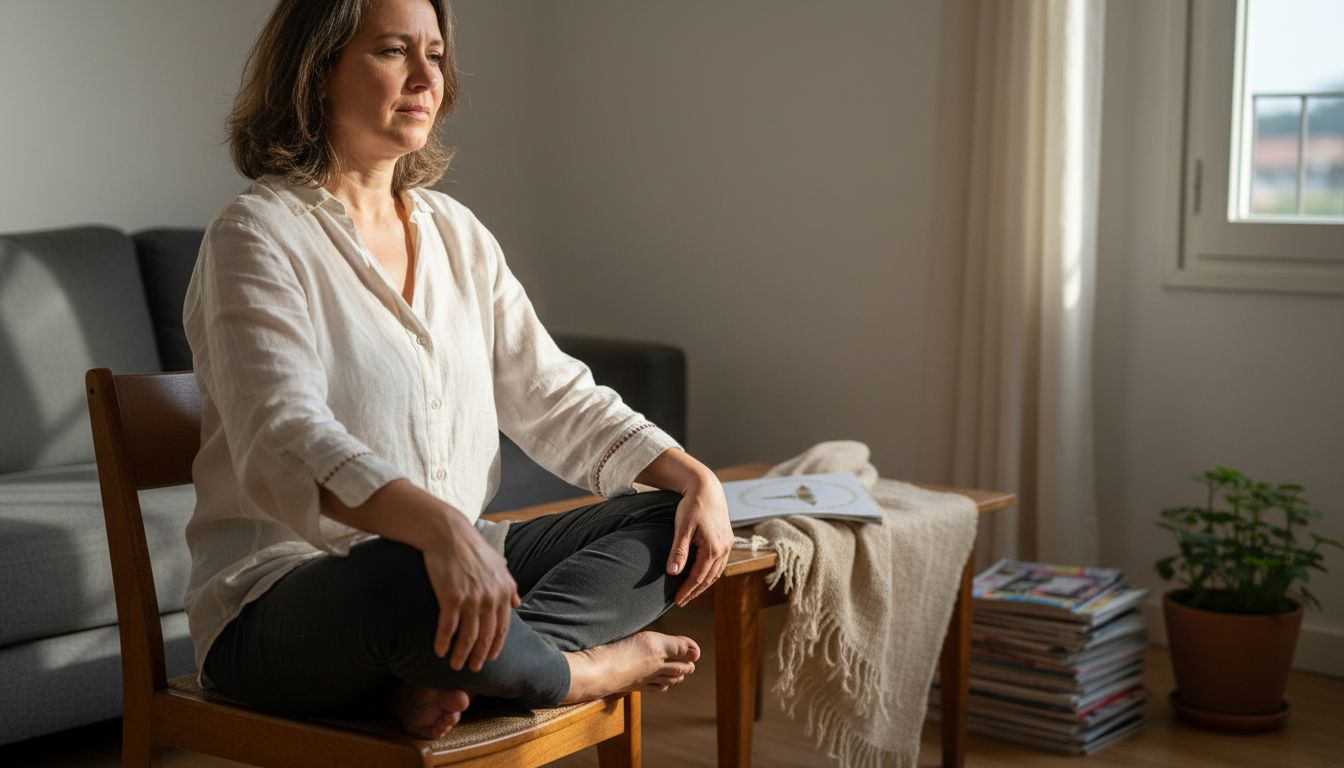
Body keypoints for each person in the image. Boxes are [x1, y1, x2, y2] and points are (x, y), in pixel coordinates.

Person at [182, 0, 734, 740]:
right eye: (392, 52)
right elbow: (284, 436)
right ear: (317, 71)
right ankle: (573, 672)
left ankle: (459, 674)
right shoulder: (256, 234)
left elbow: (552, 392)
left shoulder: (456, 234)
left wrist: (695, 476)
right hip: (285, 601)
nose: (424, 78)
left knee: (669, 520)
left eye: (434, 55)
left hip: (462, 569)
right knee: (407, 576)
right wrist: (439, 527)